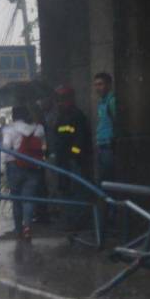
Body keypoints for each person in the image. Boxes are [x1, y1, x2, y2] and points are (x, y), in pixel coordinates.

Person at [0, 105, 46, 241]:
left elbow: (6, 147)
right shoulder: (39, 128)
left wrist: (0, 168)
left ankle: (18, 229)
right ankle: (27, 227)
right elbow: (43, 146)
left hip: (14, 166)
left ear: (13, 115)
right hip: (33, 166)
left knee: (16, 199)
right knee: (29, 198)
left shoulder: (9, 129)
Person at [53, 85, 91, 228]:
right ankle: (69, 220)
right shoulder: (61, 116)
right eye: (58, 100)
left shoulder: (77, 115)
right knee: (65, 189)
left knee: (77, 190)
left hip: (74, 161)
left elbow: (79, 139)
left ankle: (78, 221)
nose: (59, 103)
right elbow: (58, 136)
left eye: (62, 99)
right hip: (63, 160)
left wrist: (73, 155)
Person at [93, 72, 117, 185]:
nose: (98, 88)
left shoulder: (112, 101)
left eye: (100, 84)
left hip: (109, 146)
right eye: (96, 85)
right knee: (103, 180)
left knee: (109, 180)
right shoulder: (101, 103)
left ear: (109, 85)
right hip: (101, 145)